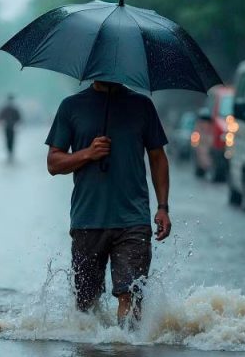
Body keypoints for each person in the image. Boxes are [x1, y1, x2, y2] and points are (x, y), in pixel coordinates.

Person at [45, 81, 171, 328]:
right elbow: (53, 163)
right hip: (87, 219)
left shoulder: (142, 105)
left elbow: (158, 157)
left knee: (131, 295)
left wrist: (163, 207)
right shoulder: (71, 106)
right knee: (85, 303)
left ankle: (126, 348)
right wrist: (87, 154)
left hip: (133, 220)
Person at [0, 94, 22, 161]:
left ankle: (10, 152)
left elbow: (19, 118)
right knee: (7, 140)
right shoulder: (5, 109)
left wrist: (15, 123)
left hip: (12, 127)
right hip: (6, 127)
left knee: (12, 140)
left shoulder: (14, 109)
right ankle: (9, 152)